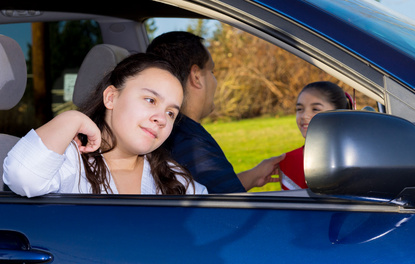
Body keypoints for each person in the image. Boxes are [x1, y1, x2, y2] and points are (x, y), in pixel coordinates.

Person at [3, 53, 208, 197]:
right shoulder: (70, 160)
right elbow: (22, 178)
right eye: (150, 100)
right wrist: (72, 118)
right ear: (110, 98)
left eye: (171, 113)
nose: (161, 119)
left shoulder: (172, 178)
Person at [147, 31, 284, 193]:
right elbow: (231, 212)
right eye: (212, 71)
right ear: (196, 77)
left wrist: (254, 176)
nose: (215, 81)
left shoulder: (173, 132)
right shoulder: (191, 145)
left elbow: (211, 192)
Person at [280, 81, 355, 190]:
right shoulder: (288, 161)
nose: (304, 115)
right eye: (299, 109)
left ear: (340, 113)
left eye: (315, 109)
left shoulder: (354, 159)